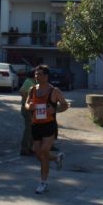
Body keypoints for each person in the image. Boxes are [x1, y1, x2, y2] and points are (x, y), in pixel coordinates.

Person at [25, 64, 69, 194]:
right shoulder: (32, 89)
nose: (36, 76)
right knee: (38, 153)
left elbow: (65, 105)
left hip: (49, 125)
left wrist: (54, 109)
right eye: (36, 74)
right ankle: (56, 158)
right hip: (36, 124)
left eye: (39, 74)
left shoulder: (54, 91)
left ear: (46, 76)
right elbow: (26, 104)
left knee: (44, 152)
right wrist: (29, 107)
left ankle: (43, 183)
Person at [19, 68, 36, 156]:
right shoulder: (29, 81)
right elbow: (21, 92)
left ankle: (31, 148)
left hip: (31, 109)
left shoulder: (32, 82)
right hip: (27, 109)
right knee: (29, 129)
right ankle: (24, 149)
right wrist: (28, 100)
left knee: (32, 129)